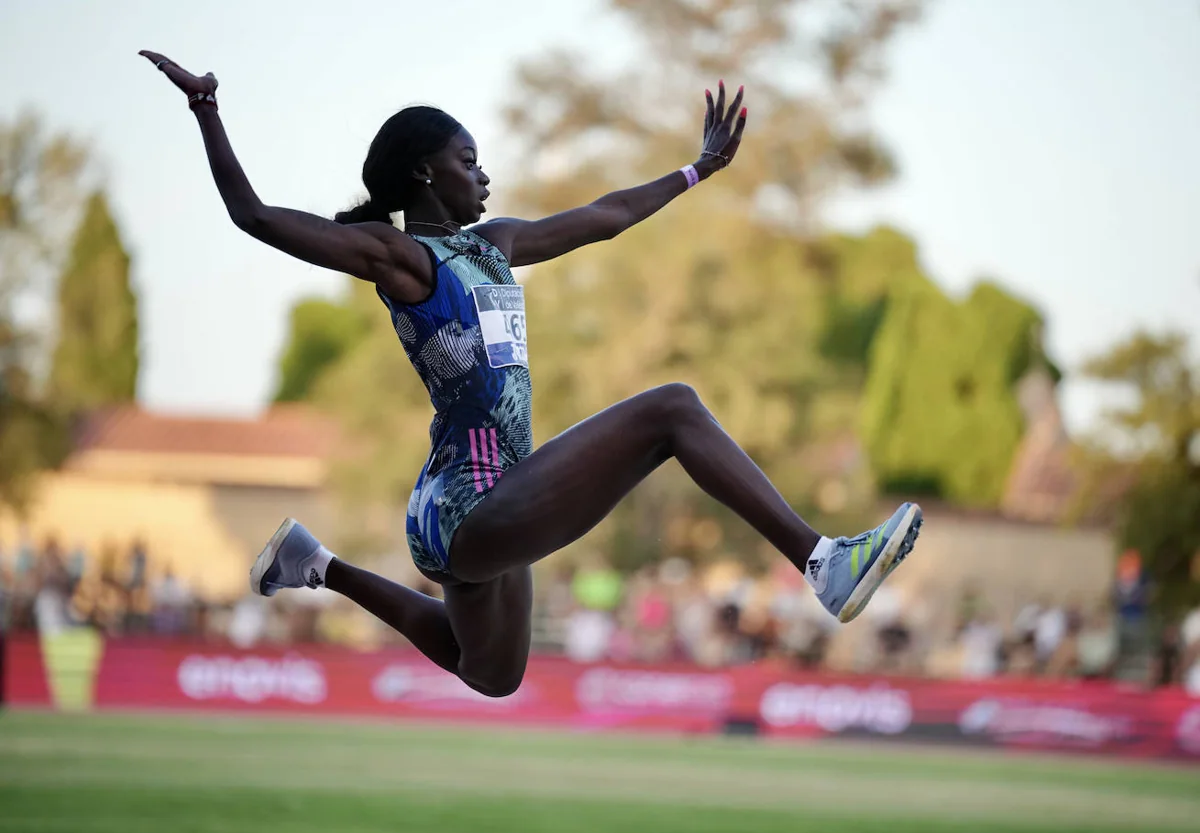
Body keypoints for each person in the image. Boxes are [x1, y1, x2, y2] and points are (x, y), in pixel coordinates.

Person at [140, 50, 922, 697]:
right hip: (470, 504)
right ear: (424, 174)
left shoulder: (497, 245)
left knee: (491, 674)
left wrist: (697, 170)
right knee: (673, 410)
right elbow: (257, 217)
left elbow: (607, 215)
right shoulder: (402, 259)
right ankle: (824, 563)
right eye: (468, 162)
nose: (484, 176)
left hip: (480, 504)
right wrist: (208, 111)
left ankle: (316, 564)